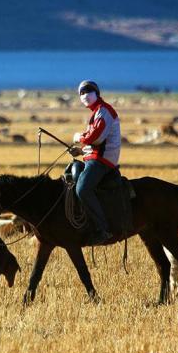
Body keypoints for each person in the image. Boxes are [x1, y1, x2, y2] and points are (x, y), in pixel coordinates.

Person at [70, 80, 121, 245]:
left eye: (88, 91)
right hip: (95, 156)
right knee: (68, 174)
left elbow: (96, 138)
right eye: (81, 93)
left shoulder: (104, 111)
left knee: (83, 189)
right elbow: (94, 143)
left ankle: (102, 229)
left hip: (102, 160)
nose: (85, 95)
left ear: (97, 93)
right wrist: (81, 151)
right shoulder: (97, 112)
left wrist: (79, 137)